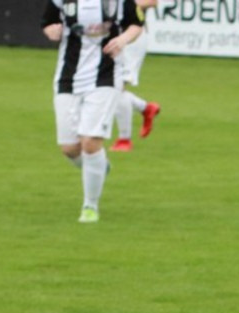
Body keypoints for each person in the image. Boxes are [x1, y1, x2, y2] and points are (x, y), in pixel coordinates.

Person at [42, 0, 143, 222]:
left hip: (105, 76)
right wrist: (52, 30)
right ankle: (99, 166)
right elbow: (48, 22)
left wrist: (122, 39)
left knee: (90, 142)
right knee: (70, 148)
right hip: (67, 78)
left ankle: (90, 206)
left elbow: (136, 24)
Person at [111, 0, 161, 152]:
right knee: (109, 86)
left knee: (117, 87)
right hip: (113, 35)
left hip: (132, 36)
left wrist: (126, 4)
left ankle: (124, 140)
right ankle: (146, 108)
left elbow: (152, 1)